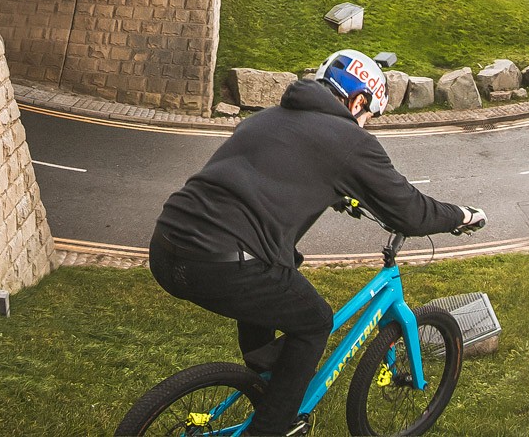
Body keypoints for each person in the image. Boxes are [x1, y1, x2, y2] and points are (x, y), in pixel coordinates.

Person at [148, 51, 487, 437]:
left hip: (166, 247)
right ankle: (272, 427)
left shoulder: (266, 118)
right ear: (358, 101)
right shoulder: (349, 140)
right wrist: (462, 215)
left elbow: (276, 170)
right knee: (314, 321)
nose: (366, 125)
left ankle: (270, 383)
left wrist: (340, 193)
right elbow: (410, 212)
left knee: (276, 275)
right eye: (370, 116)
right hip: (223, 265)